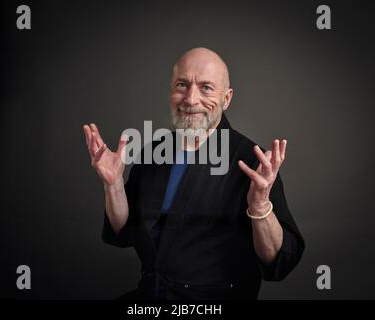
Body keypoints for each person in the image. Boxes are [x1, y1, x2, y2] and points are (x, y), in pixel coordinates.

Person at [83, 47, 305, 300]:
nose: (190, 99)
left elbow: (279, 263)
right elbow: (124, 231)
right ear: (171, 92)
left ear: (227, 98)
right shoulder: (153, 152)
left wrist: (260, 206)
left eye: (206, 87)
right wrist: (113, 185)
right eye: (182, 85)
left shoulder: (256, 163)